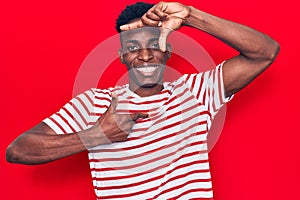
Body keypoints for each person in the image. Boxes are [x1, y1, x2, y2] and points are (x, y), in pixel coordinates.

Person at [6, 1, 279, 199]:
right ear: (122, 55)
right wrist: (97, 135)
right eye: (134, 48)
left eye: (155, 45)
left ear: (168, 50)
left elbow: (265, 52)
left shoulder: (196, 92)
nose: (145, 56)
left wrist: (190, 16)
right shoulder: (93, 103)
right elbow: (18, 151)